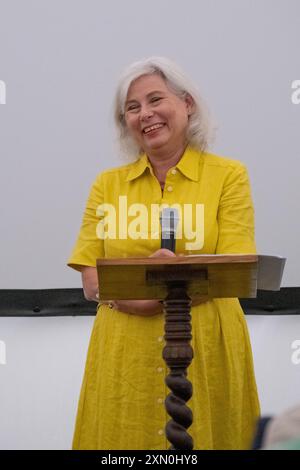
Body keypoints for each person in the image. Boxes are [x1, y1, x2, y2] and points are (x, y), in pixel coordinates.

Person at [67, 56, 260, 450]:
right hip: (124, 351)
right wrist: (151, 292)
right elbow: (90, 280)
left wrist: (148, 288)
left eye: (156, 99)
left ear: (187, 103)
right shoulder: (107, 186)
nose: (146, 114)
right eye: (133, 108)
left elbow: (235, 268)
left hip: (207, 345)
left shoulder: (230, 176)